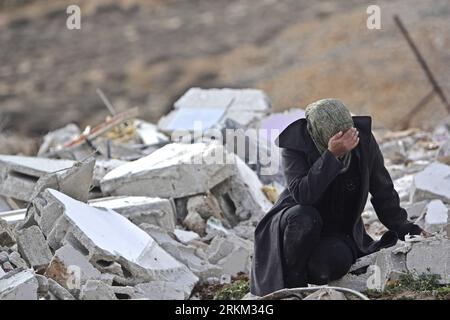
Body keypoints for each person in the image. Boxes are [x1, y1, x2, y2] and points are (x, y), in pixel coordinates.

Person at [250, 98, 430, 297]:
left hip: (337, 232)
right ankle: (293, 285)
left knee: (328, 265)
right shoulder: (295, 145)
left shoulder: (363, 140)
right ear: (319, 134)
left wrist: (408, 229)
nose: (347, 140)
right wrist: (331, 156)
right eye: (339, 136)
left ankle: (309, 273)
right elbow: (303, 195)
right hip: (294, 225)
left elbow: (383, 191)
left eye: (348, 132)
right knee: (305, 217)